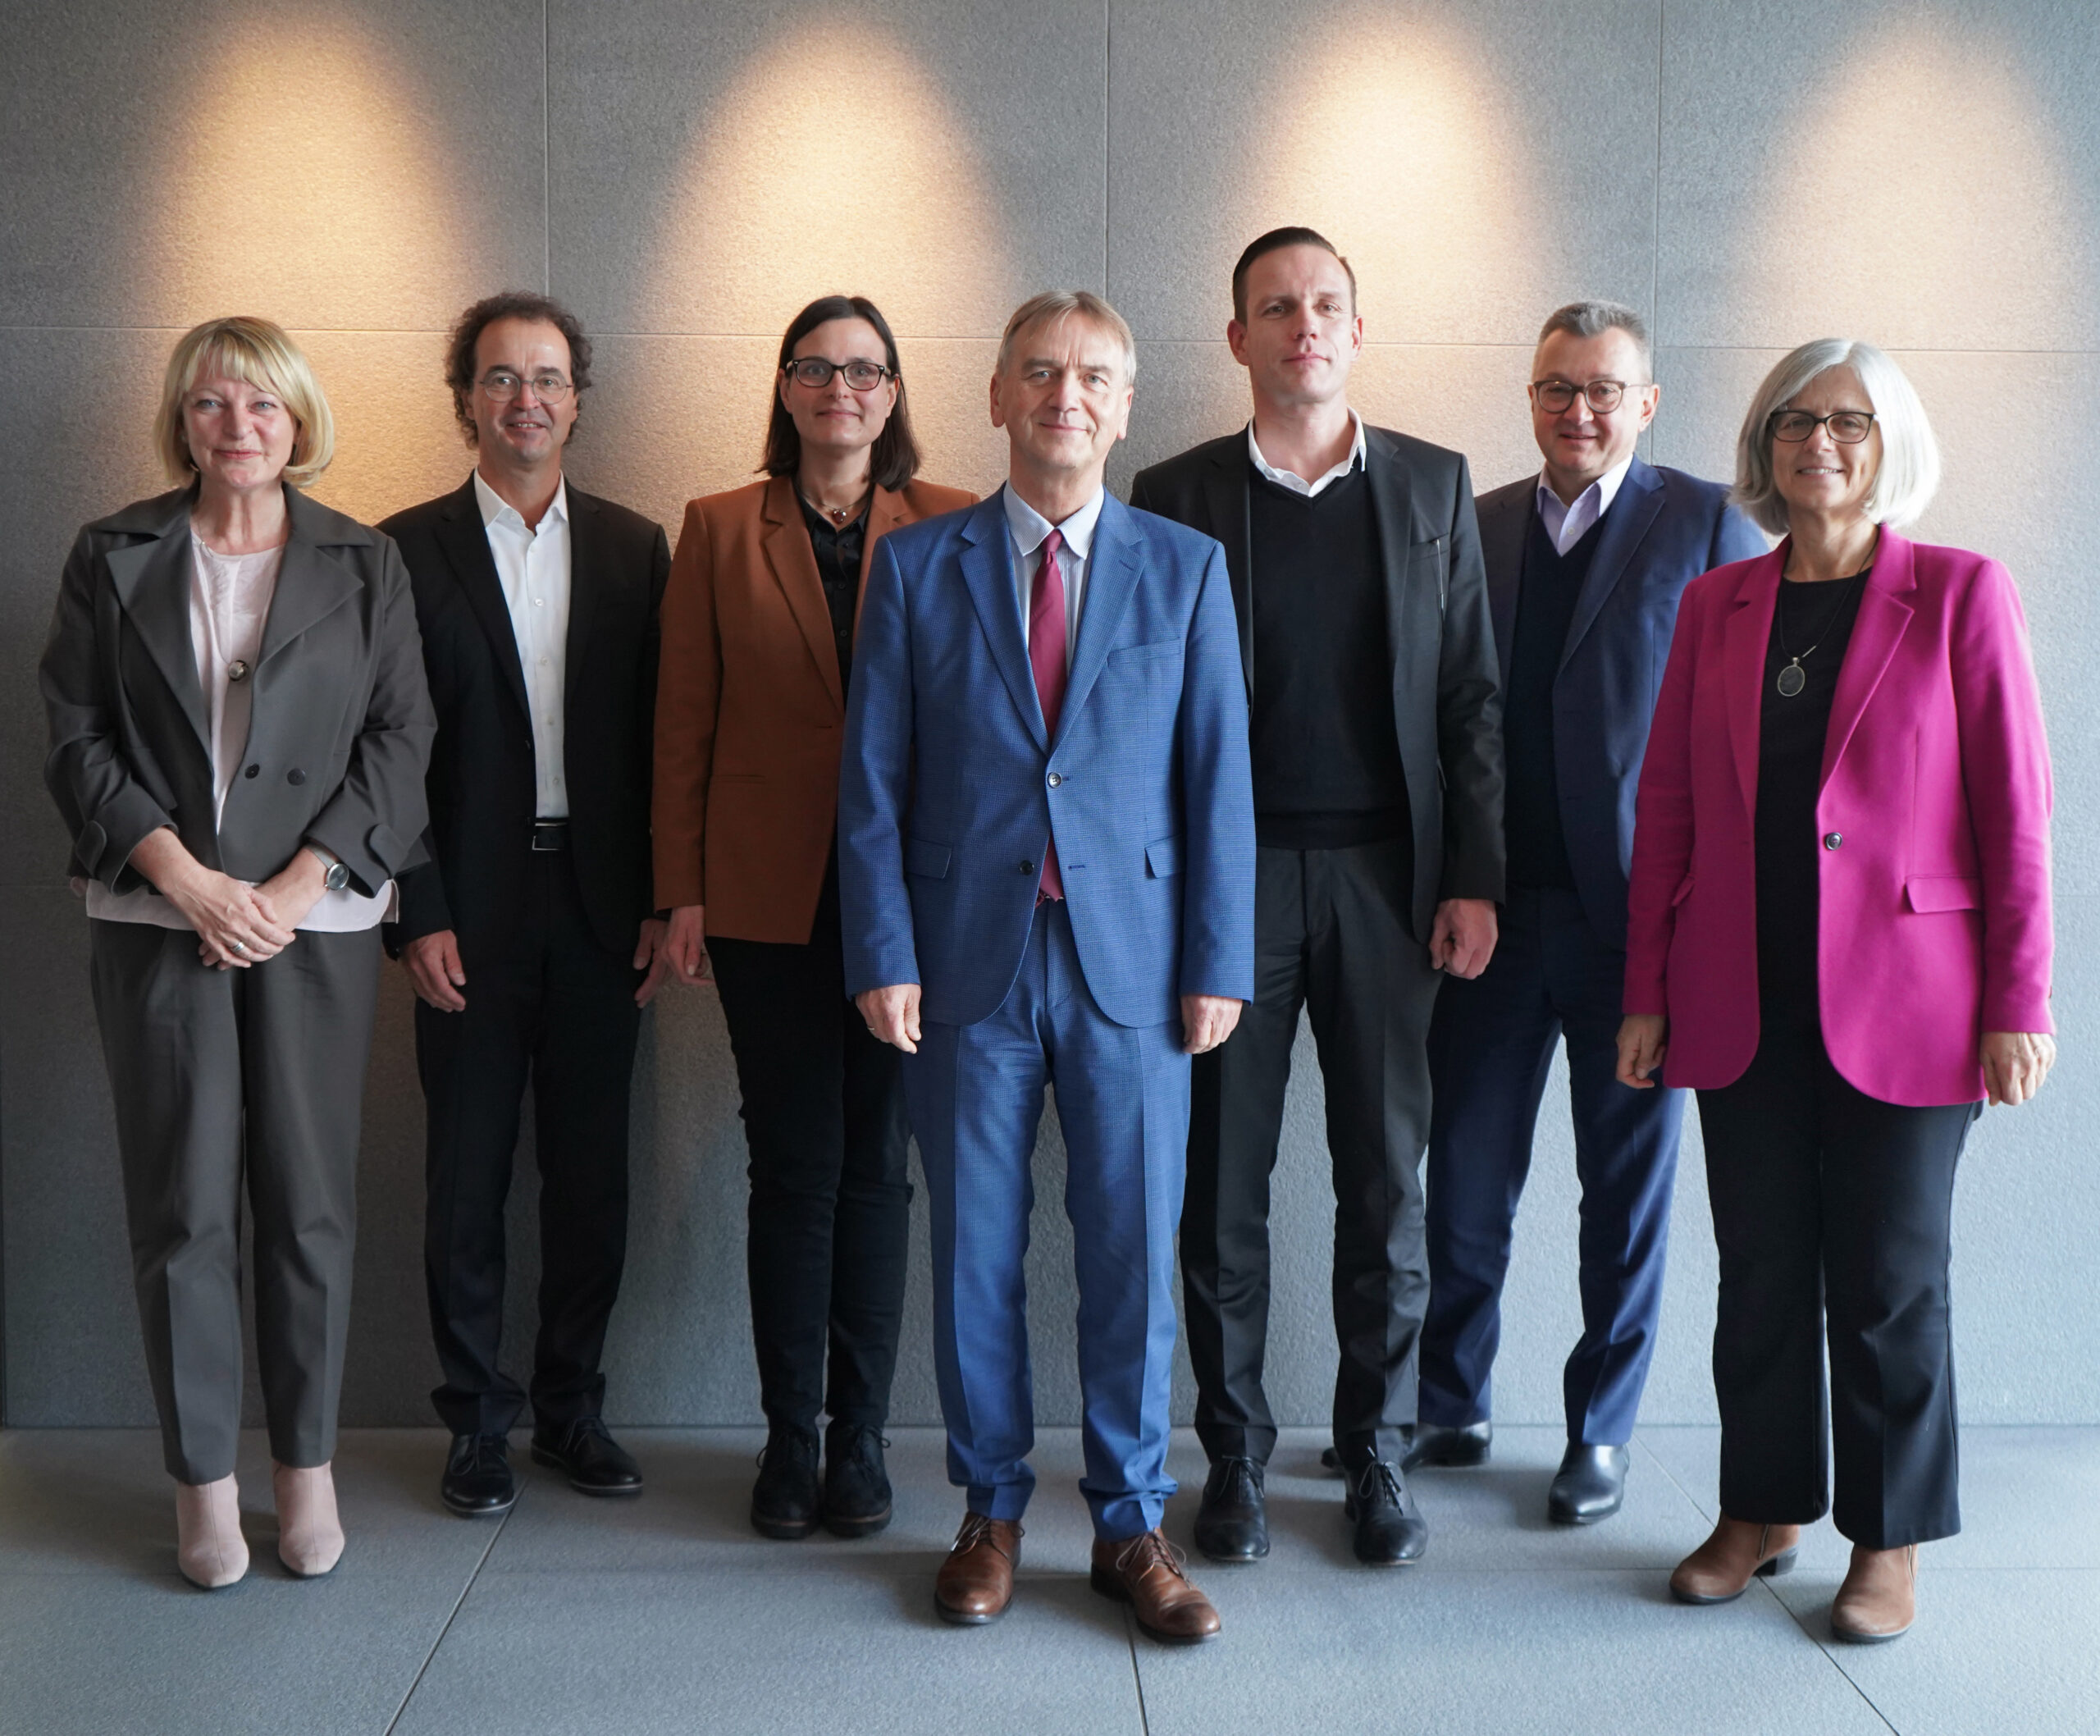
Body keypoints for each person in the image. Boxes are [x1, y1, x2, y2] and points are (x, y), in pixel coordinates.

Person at [1619, 340, 2054, 1642]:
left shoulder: (1962, 594)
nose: (1822, 441)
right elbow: (1674, 806)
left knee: (1889, 1279)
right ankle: (1761, 1510)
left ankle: (1889, 1540)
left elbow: (2015, 815)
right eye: (1796, 421)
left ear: (1889, 445)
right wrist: (1648, 989)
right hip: (1739, 991)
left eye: (1850, 421)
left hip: (1914, 1001)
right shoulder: (1718, 608)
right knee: (1758, 1268)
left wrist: (2018, 1000)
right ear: (1765, 448)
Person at [840, 290, 1253, 1641]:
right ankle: (990, 1510)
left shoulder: (1185, 568)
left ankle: (1133, 1526)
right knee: (973, 1250)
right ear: (1000, 396)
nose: (1064, 397)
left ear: (1123, 404)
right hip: (966, 961)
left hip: (1134, 967)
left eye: (1091, 377)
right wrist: (882, 950)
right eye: (1039, 374)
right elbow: (874, 783)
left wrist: (1219, 960)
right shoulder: (915, 566)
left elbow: (1217, 787)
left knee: (1132, 1245)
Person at [1129, 228, 1504, 1567]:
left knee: (1383, 1191)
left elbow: (1470, 699)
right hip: (1225, 893)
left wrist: (1472, 877)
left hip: (1386, 892)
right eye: (1276, 307)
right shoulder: (1172, 494)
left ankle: (1379, 1460)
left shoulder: (1432, 486)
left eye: (1328, 303)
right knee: (1220, 1191)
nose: (1305, 325)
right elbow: (1141, 713)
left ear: (1358, 328)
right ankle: (1232, 1459)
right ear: (1237, 338)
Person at [40, 316, 434, 1588]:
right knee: (182, 1206)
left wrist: (293, 881)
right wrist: (191, 879)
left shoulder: (364, 561)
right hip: (162, 918)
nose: (241, 427)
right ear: (184, 421)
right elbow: (76, 738)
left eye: (265, 406)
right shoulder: (113, 554)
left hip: (311, 923)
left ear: (299, 422)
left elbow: (399, 743)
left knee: (310, 1205)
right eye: (215, 405)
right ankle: (204, 1482)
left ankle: (303, 1470)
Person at [1418, 302, 1767, 1524]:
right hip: (1495, 918)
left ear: (1648, 403)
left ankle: (1599, 1432)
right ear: (1530, 397)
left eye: (1604, 390)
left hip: (1638, 929)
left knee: (1625, 1194)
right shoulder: (1482, 523)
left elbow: (1739, 738)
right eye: (1557, 389)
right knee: (1463, 1175)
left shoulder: (1711, 523)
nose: (1580, 411)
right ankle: (1451, 1402)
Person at [653, 295, 973, 1540]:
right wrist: (680, 886)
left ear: (893, 393)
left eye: (865, 368)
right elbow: (683, 721)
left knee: (878, 1171)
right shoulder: (721, 527)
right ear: (785, 389)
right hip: (764, 897)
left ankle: (863, 1446)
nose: (840, 386)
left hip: (915, 902)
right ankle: (789, 1444)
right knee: (792, 1167)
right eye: (815, 367)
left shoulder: (950, 522)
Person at [381, 293, 672, 1519]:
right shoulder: (400, 548)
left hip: (605, 910)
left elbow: (668, 738)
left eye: (548, 378)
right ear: (466, 400)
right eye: (500, 379)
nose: (526, 401)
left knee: (591, 1181)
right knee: (467, 1180)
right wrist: (418, 906)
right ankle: (476, 1425)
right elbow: (385, 747)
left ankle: (570, 1409)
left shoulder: (634, 546)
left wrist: (667, 902)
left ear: (577, 398)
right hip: (470, 912)